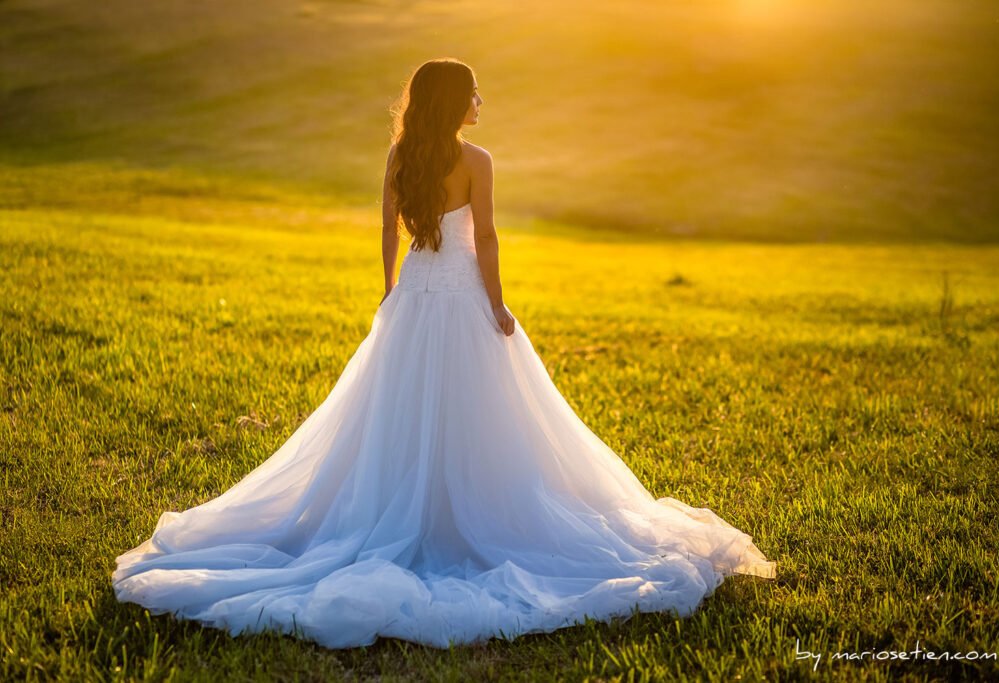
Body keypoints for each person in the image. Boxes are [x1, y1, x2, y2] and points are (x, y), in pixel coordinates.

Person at [111, 57, 776, 650]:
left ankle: (412, 507)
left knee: (398, 413)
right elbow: (485, 238)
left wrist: (389, 292)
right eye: (475, 94)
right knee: (484, 415)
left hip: (415, 298)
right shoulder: (477, 161)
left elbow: (387, 231)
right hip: (461, 297)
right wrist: (498, 304)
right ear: (454, 102)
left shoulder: (402, 159)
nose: (482, 103)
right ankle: (465, 516)